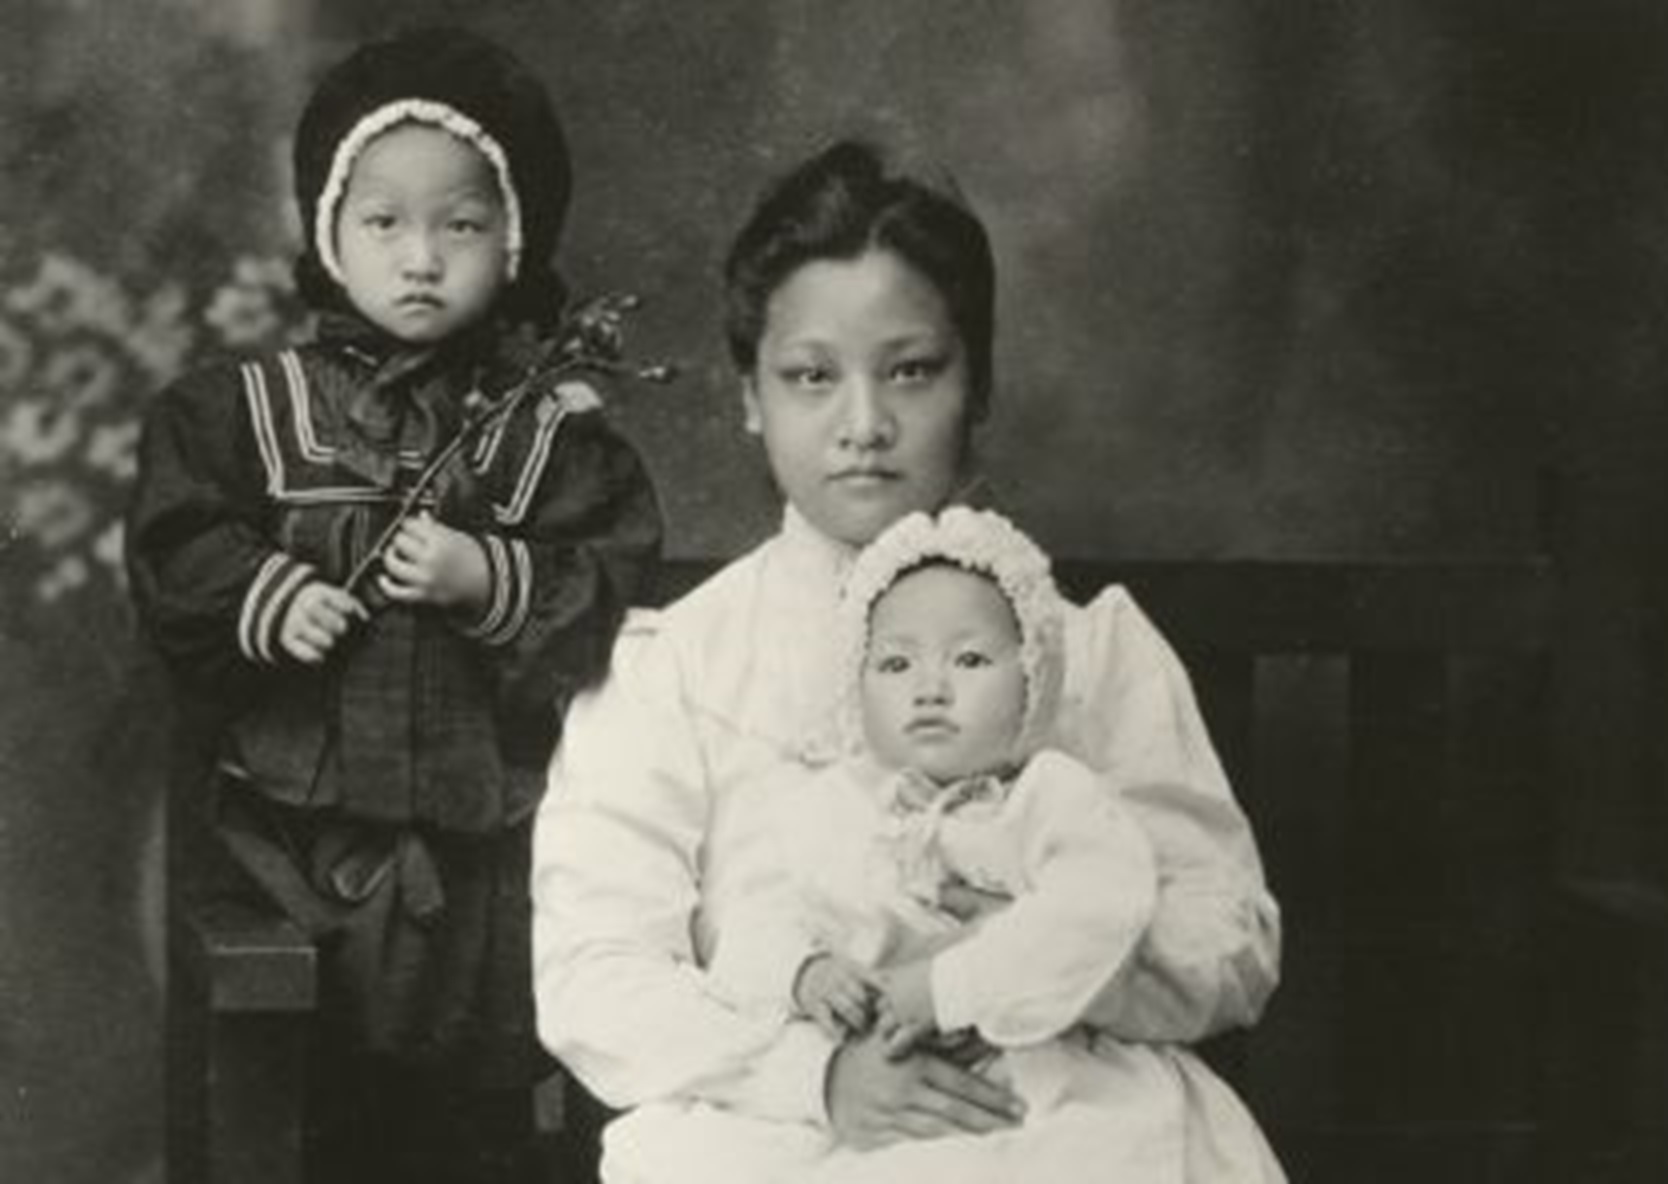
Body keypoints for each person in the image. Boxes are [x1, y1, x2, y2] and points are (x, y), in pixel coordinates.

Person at [531, 139, 1281, 1183]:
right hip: (776, 1115)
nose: (865, 426)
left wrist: (1045, 955)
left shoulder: (1094, 647)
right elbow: (595, 974)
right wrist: (818, 1073)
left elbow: (1228, 940)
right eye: (810, 377)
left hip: (1059, 1107)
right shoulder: (673, 668)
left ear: (978, 385)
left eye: (913, 369)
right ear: (750, 394)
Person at [126, 27, 662, 1184]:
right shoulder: (248, 414)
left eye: (460, 224)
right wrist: (269, 595)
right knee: (313, 1112)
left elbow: (608, 581)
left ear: (513, 241)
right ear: (331, 232)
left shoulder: (549, 437)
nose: (421, 257)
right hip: (292, 854)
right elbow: (176, 546)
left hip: (486, 868)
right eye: (384, 222)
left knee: (475, 1123)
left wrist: (487, 578)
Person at [706, 505, 1284, 1182]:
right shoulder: (833, 807)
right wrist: (804, 975)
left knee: (1082, 1156)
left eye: (971, 659)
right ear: (856, 689)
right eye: (894, 663)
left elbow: (1096, 913)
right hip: (883, 1076)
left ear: (1032, 680)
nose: (929, 688)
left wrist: (951, 986)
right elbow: (753, 923)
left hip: (1044, 1066)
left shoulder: (1053, 799)